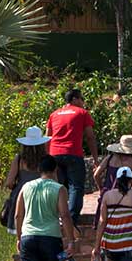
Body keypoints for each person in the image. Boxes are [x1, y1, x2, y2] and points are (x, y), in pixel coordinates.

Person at [45, 88, 98, 226]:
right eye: (81, 99)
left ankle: (56, 219)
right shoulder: (82, 113)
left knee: (57, 187)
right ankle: (72, 221)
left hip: (54, 154)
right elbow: (90, 137)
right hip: (73, 153)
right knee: (76, 187)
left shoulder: (54, 114)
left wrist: (46, 158)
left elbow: (48, 137)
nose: (83, 102)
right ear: (74, 99)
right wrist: (96, 159)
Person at [93, 134, 132, 224]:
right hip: (125, 197)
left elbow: (96, 175)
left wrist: (101, 189)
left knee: (103, 223)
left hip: (108, 195)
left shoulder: (110, 158)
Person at [2, 126, 50, 235]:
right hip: (41, 195)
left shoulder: (19, 159)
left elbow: (9, 182)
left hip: (21, 195)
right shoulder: (46, 159)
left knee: (21, 228)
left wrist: (15, 186)